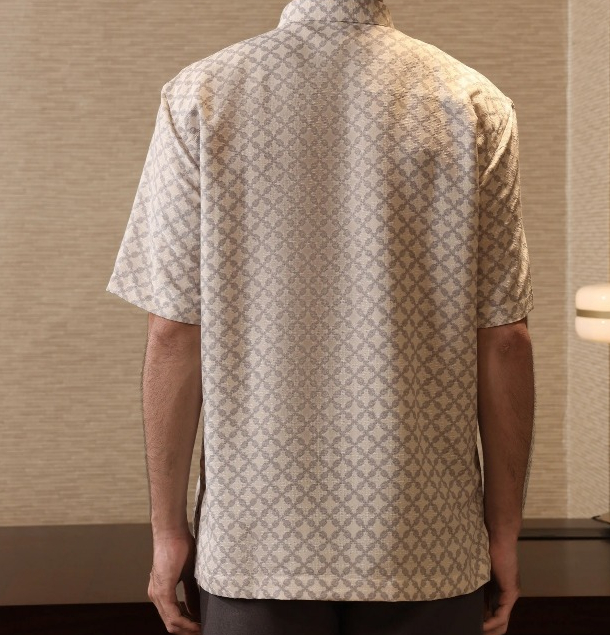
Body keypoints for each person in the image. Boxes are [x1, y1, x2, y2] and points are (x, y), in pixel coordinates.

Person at [105, 0, 536, 633]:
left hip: (258, 542)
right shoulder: (473, 103)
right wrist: (504, 530)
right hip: (425, 538)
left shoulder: (202, 95)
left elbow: (173, 332)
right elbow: (505, 341)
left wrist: (168, 532)